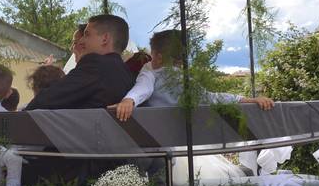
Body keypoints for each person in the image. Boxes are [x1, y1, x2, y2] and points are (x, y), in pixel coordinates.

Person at [113, 29, 273, 121]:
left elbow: (143, 87)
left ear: (159, 56)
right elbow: (211, 97)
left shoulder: (153, 72)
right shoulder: (174, 77)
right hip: (169, 133)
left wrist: (129, 100)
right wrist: (130, 99)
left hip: (159, 133)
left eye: (152, 53)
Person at [26, 14, 135, 110]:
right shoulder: (126, 73)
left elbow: (45, 99)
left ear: (105, 39)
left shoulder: (95, 65)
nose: (82, 41)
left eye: (87, 34)